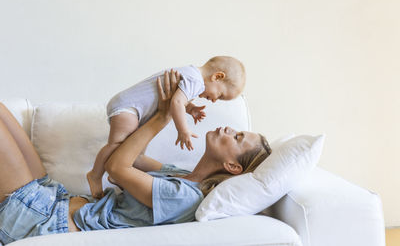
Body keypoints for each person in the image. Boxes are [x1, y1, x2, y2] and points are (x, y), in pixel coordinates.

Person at [0, 70, 271, 245]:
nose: (229, 129)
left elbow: (117, 167)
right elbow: (135, 157)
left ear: (233, 166)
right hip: (53, 197)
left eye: (237, 138)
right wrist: (161, 102)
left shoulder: (186, 197)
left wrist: (165, 116)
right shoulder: (178, 174)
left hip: (42, 221)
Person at [87, 56, 247, 198]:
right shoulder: (196, 81)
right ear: (217, 77)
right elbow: (176, 102)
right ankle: (95, 175)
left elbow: (179, 99)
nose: (213, 100)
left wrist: (190, 109)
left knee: (135, 152)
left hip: (132, 108)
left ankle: (117, 177)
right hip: (129, 107)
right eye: (219, 96)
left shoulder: (192, 75)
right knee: (117, 144)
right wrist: (183, 130)